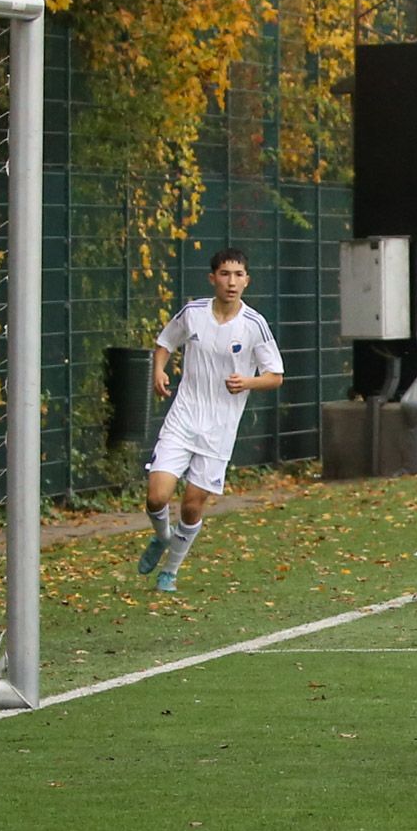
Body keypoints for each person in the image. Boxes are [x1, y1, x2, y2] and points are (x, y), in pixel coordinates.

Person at [136, 249, 285, 593]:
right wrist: (158, 370)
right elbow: (164, 343)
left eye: (238, 275)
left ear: (247, 280)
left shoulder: (254, 325)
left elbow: (275, 375)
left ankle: (170, 571)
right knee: (157, 497)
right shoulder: (193, 313)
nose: (231, 282)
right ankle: (162, 538)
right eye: (224, 274)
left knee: (191, 505)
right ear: (212, 278)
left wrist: (247, 382)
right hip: (184, 417)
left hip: (219, 429)